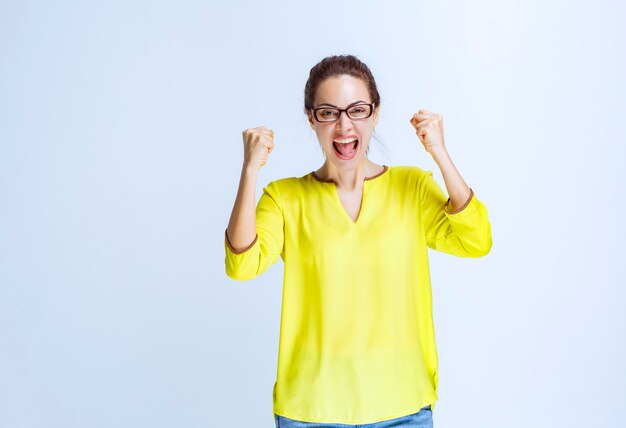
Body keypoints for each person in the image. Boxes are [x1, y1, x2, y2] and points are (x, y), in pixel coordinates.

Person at [224, 54, 492, 428]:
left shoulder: (410, 187)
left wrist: (440, 153)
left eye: (357, 110)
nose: (344, 125)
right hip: (311, 410)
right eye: (329, 112)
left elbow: (475, 240)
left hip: (403, 406)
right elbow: (241, 264)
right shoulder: (284, 198)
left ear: (375, 114)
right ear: (312, 120)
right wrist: (249, 170)